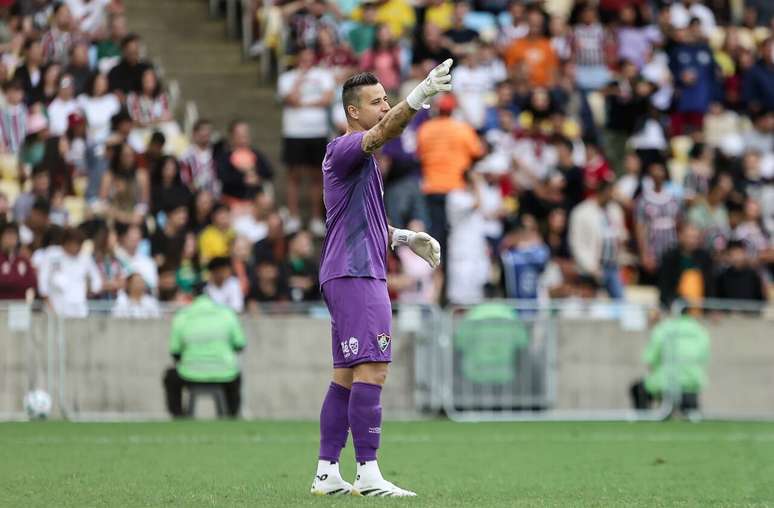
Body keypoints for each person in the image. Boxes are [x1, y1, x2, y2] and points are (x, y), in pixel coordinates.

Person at [310, 63, 449, 497]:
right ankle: (368, 472)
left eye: (387, 98)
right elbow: (383, 132)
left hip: (347, 271)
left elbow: (363, 224)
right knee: (375, 368)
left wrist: (404, 237)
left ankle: (327, 473)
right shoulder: (348, 147)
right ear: (353, 112)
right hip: (356, 274)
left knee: (346, 378)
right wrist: (418, 97)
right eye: (377, 101)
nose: (385, 105)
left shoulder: (357, 163)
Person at [163, 284, 246, 418]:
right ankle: (232, 415)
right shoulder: (227, 314)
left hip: (189, 374)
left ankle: (178, 415)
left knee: (170, 376)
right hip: (224, 373)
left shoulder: (182, 316)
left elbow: (175, 351)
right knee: (235, 375)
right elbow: (240, 344)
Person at [278, 47, 335, 236]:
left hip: (317, 131)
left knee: (317, 176)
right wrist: (300, 80)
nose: (307, 62)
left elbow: (327, 99)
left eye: (310, 59)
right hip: (294, 132)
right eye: (303, 59)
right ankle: (293, 217)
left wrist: (303, 103)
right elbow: (290, 98)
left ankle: (315, 218)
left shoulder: (324, 75)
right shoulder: (287, 78)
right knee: (293, 175)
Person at [630, 312, 710, 415]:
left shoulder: (663, 328)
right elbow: (704, 358)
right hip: (692, 382)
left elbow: (650, 360)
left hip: (665, 382)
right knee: (691, 416)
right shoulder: (700, 330)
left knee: (638, 389)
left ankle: (644, 420)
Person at [568, 179, 626, 300]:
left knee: (620, 301)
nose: (612, 197)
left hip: (612, 265)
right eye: (610, 193)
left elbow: (621, 232)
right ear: (602, 192)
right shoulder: (582, 212)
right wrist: (590, 267)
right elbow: (576, 243)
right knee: (593, 303)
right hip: (592, 267)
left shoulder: (614, 210)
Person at [36, 227, 102, 318]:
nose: (78, 248)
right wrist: (48, 303)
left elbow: (96, 279)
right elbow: (42, 280)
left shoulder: (85, 257)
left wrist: (90, 290)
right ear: (66, 243)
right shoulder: (52, 254)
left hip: (79, 307)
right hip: (56, 306)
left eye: (80, 245)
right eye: (76, 244)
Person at [0, 222, 37, 300]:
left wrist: (8, 281)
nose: (10, 240)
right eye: (7, 236)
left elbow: (32, 282)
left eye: (13, 236)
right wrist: (17, 281)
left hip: (18, 305)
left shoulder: (23, 260)